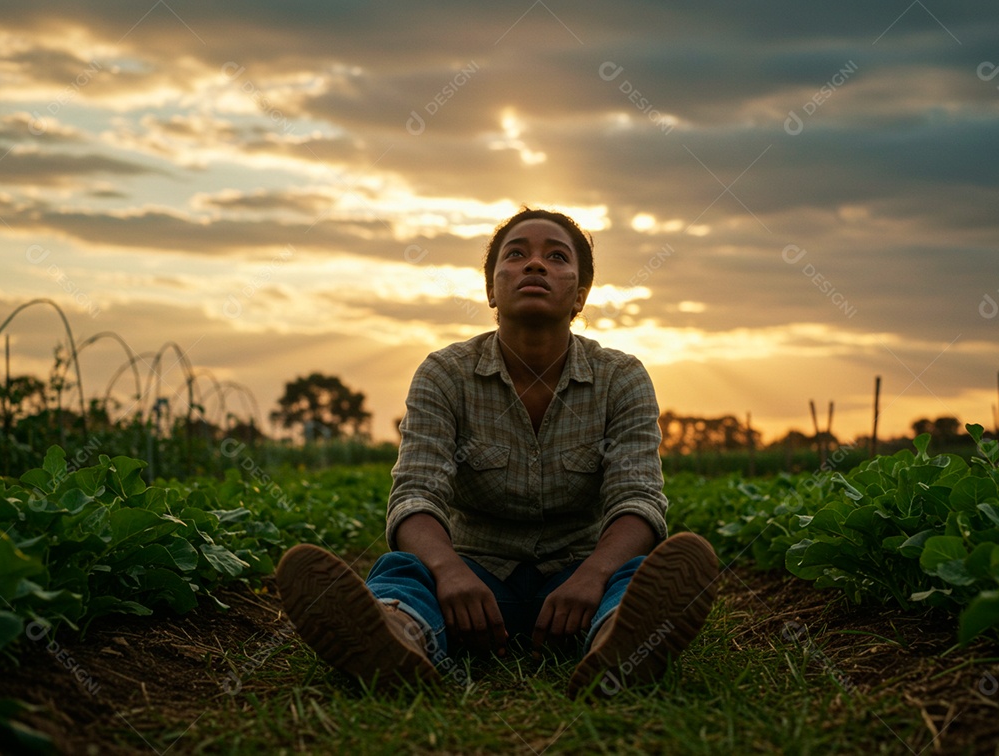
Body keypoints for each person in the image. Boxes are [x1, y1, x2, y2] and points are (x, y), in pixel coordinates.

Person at [275, 207, 719, 697]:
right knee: (404, 572)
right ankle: (398, 639)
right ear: (491, 289)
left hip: (578, 581)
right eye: (516, 254)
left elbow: (638, 499)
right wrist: (449, 573)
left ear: (580, 294)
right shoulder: (445, 374)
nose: (534, 265)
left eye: (555, 256)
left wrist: (592, 575)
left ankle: (617, 642)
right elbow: (415, 495)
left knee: (633, 577)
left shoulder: (622, 377)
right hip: (472, 583)